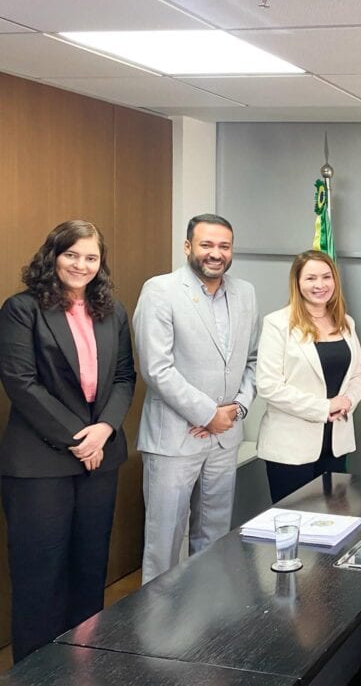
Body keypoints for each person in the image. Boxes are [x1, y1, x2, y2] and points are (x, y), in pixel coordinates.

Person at [0, 220, 136, 663]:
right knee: (41, 574)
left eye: (91, 257)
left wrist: (105, 430)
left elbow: (123, 378)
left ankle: (84, 661)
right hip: (41, 461)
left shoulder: (111, 309)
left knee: (89, 566)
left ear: (101, 264)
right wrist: (81, 438)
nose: (81, 264)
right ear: (53, 256)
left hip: (101, 455)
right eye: (71, 254)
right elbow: (21, 382)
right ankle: (37, 671)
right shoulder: (22, 309)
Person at [133, 214, 259, 583]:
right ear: (188, 246)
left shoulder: (245, 293)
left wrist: (237, 409)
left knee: (214, 541)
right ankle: (157, 633)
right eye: (206, 244)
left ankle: (204, 632)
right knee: (164, 546)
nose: (215, 253)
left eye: (224, 246)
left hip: (223, 440)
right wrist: (207, 413)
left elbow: (252, 360)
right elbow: (156, 368)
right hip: (174, 438)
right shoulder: (160, 290)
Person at [255, 251, 361, 503]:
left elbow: (358, 374)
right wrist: (324, 407)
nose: (320, 285)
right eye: (311, 278)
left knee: (333, 525)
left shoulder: (346, 323)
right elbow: (269, 386)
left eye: (327, 277)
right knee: (295, 525)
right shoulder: (277, 323)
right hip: (291, 448)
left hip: (336, 444)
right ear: (297, 282)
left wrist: (347, 401)